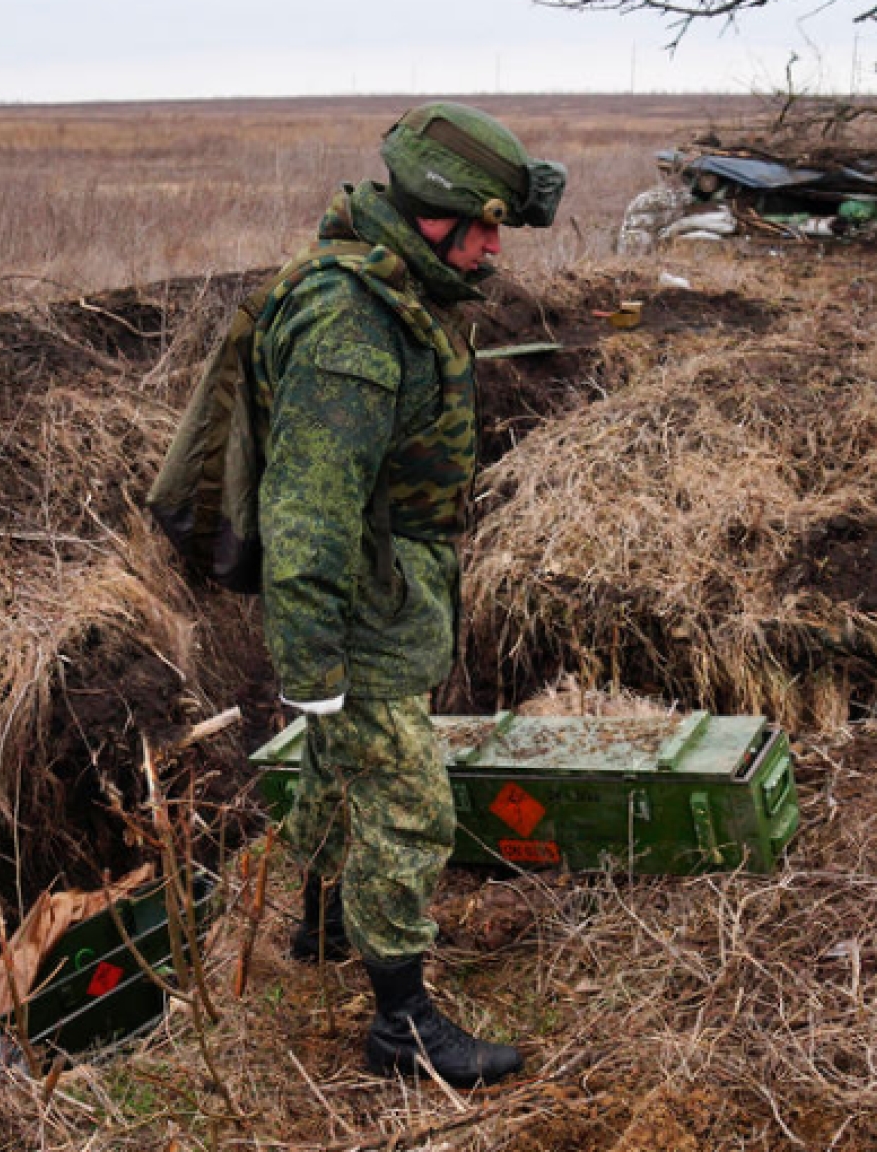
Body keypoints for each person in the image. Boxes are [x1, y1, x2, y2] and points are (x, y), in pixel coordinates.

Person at [256, 102, 564, 1088]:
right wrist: (312, 671)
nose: (491, 247)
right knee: (410, 806)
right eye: (480, 225)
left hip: (390, 591)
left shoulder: (403, 290)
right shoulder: (353, 325)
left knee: (336, 775)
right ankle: (400, 1027)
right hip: (358, 602)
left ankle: (313, 932)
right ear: (430, 212)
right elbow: (306, 514)